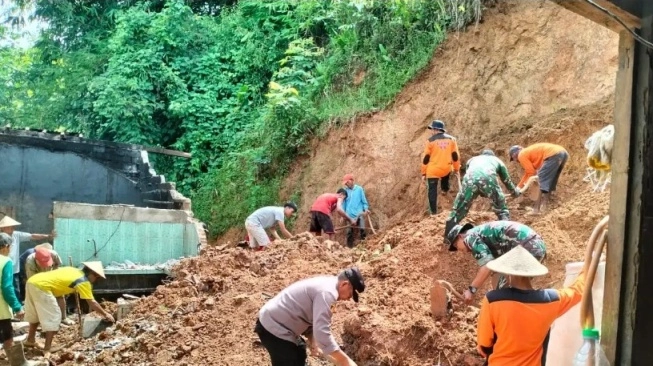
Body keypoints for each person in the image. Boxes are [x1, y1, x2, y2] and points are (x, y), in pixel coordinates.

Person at [476, 245, 585, 366]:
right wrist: (589, 269)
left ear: (509, 274)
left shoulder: (493, 299)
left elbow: (484, 345)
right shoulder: (550, 300)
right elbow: (577, 291)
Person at [255, 267, 365, 366]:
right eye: (350, 294)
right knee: (290, 360)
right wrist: (345, 361)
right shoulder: (328, 293)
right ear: (344, 284)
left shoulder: (328, 284)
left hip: (277, 323)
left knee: (299, 353)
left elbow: (308, 316)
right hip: (273, 327)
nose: (348, 299)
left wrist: (313, 340)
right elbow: (322, 331)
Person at [24, 261, 115, 356]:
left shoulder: (74, 271)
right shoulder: (83, 282)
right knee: (54, 316)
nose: (96, 280)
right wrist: (105, 314)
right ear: (92, 274)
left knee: (35, 313)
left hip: (32, 281)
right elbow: (92, 302)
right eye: (97, 278)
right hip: (42, 287)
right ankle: (47, 348)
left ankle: (30, 340)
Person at [446, 221, 547, 304]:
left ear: (460, 237)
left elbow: (487, 266)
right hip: (535, 246)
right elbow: (495, 271)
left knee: (506, 294)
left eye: (456, 245)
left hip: (528, 247)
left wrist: (471, 290)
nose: (459, 250)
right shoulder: (482, 235)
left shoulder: (470, 238)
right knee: (511, 291)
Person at [444, 149, 520, 236]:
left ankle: (448, 237)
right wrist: (514, 192)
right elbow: (506, 180)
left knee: (459, 208)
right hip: (488, 179)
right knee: (501, 208)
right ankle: (507, 234)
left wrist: (477, 191)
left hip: (469, 180)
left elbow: (474, 174)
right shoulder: (497, 161)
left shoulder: (472, 159)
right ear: (493, 156)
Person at [0, 216, 55, 301]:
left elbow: (32, 236)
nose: (12, 228)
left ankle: (17, 309)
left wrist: (47, 236)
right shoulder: (1, 238)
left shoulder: (16, 235)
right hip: (2, 269)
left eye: (13, 226)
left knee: (16, 290)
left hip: (14, 270)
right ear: (3, 228)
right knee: (4, 289)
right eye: (10, 227)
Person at [0, 233, 34, 366]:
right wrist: (17, 307)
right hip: (1, 305)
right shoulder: (5, 261)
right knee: (7, 333)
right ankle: (17, 363)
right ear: (6, 247)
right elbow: (7, 287)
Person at [509, 143, 569, 214]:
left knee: (541, 180)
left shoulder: (521, 155)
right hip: (563, 153)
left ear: (514, 154)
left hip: (553, 154)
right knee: (550, 180)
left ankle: (536, 210)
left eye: (514, 158)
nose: (516, 161)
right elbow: (529, 172)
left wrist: (519, 189)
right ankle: (544, 207)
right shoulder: (529, 153)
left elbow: (531, 172)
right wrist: (519, 186)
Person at [22, 245, 73, 326]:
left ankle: (63, 318)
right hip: (38, 279)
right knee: (40, 298)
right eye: (43, 263)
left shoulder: (54, 254)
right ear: (36, 260)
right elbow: (33, 281)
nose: (46, 265)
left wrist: (54, 277)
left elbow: (58, 265)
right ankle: (41, 321)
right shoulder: (30, 262)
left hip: (52, 276)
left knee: (60, 295)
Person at [420, 120, 461, 215]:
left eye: (432, 129)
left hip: (433, 171)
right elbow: (455, 156)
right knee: (445, 176)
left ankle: (433, 213)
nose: (431, 131)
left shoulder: (430, 141)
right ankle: (444, 190)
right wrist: (457, 169)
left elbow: (426, 158)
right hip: (446, 168)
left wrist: (423, 173)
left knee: (432, 192)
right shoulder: (452, 140)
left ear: (436, 129)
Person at [342, 174, 370, 248]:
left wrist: (366, 209)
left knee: (362, 229)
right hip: (349, 216)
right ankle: (349, 248)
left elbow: (364, 202)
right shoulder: (345, 191)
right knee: (349, 232)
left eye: (347, 182)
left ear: (351, 181)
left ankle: (364, 246)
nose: (346, 184)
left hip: (359, 214)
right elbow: (344, 204)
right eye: (345, 183)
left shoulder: (359, 189)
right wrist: (343, 215)